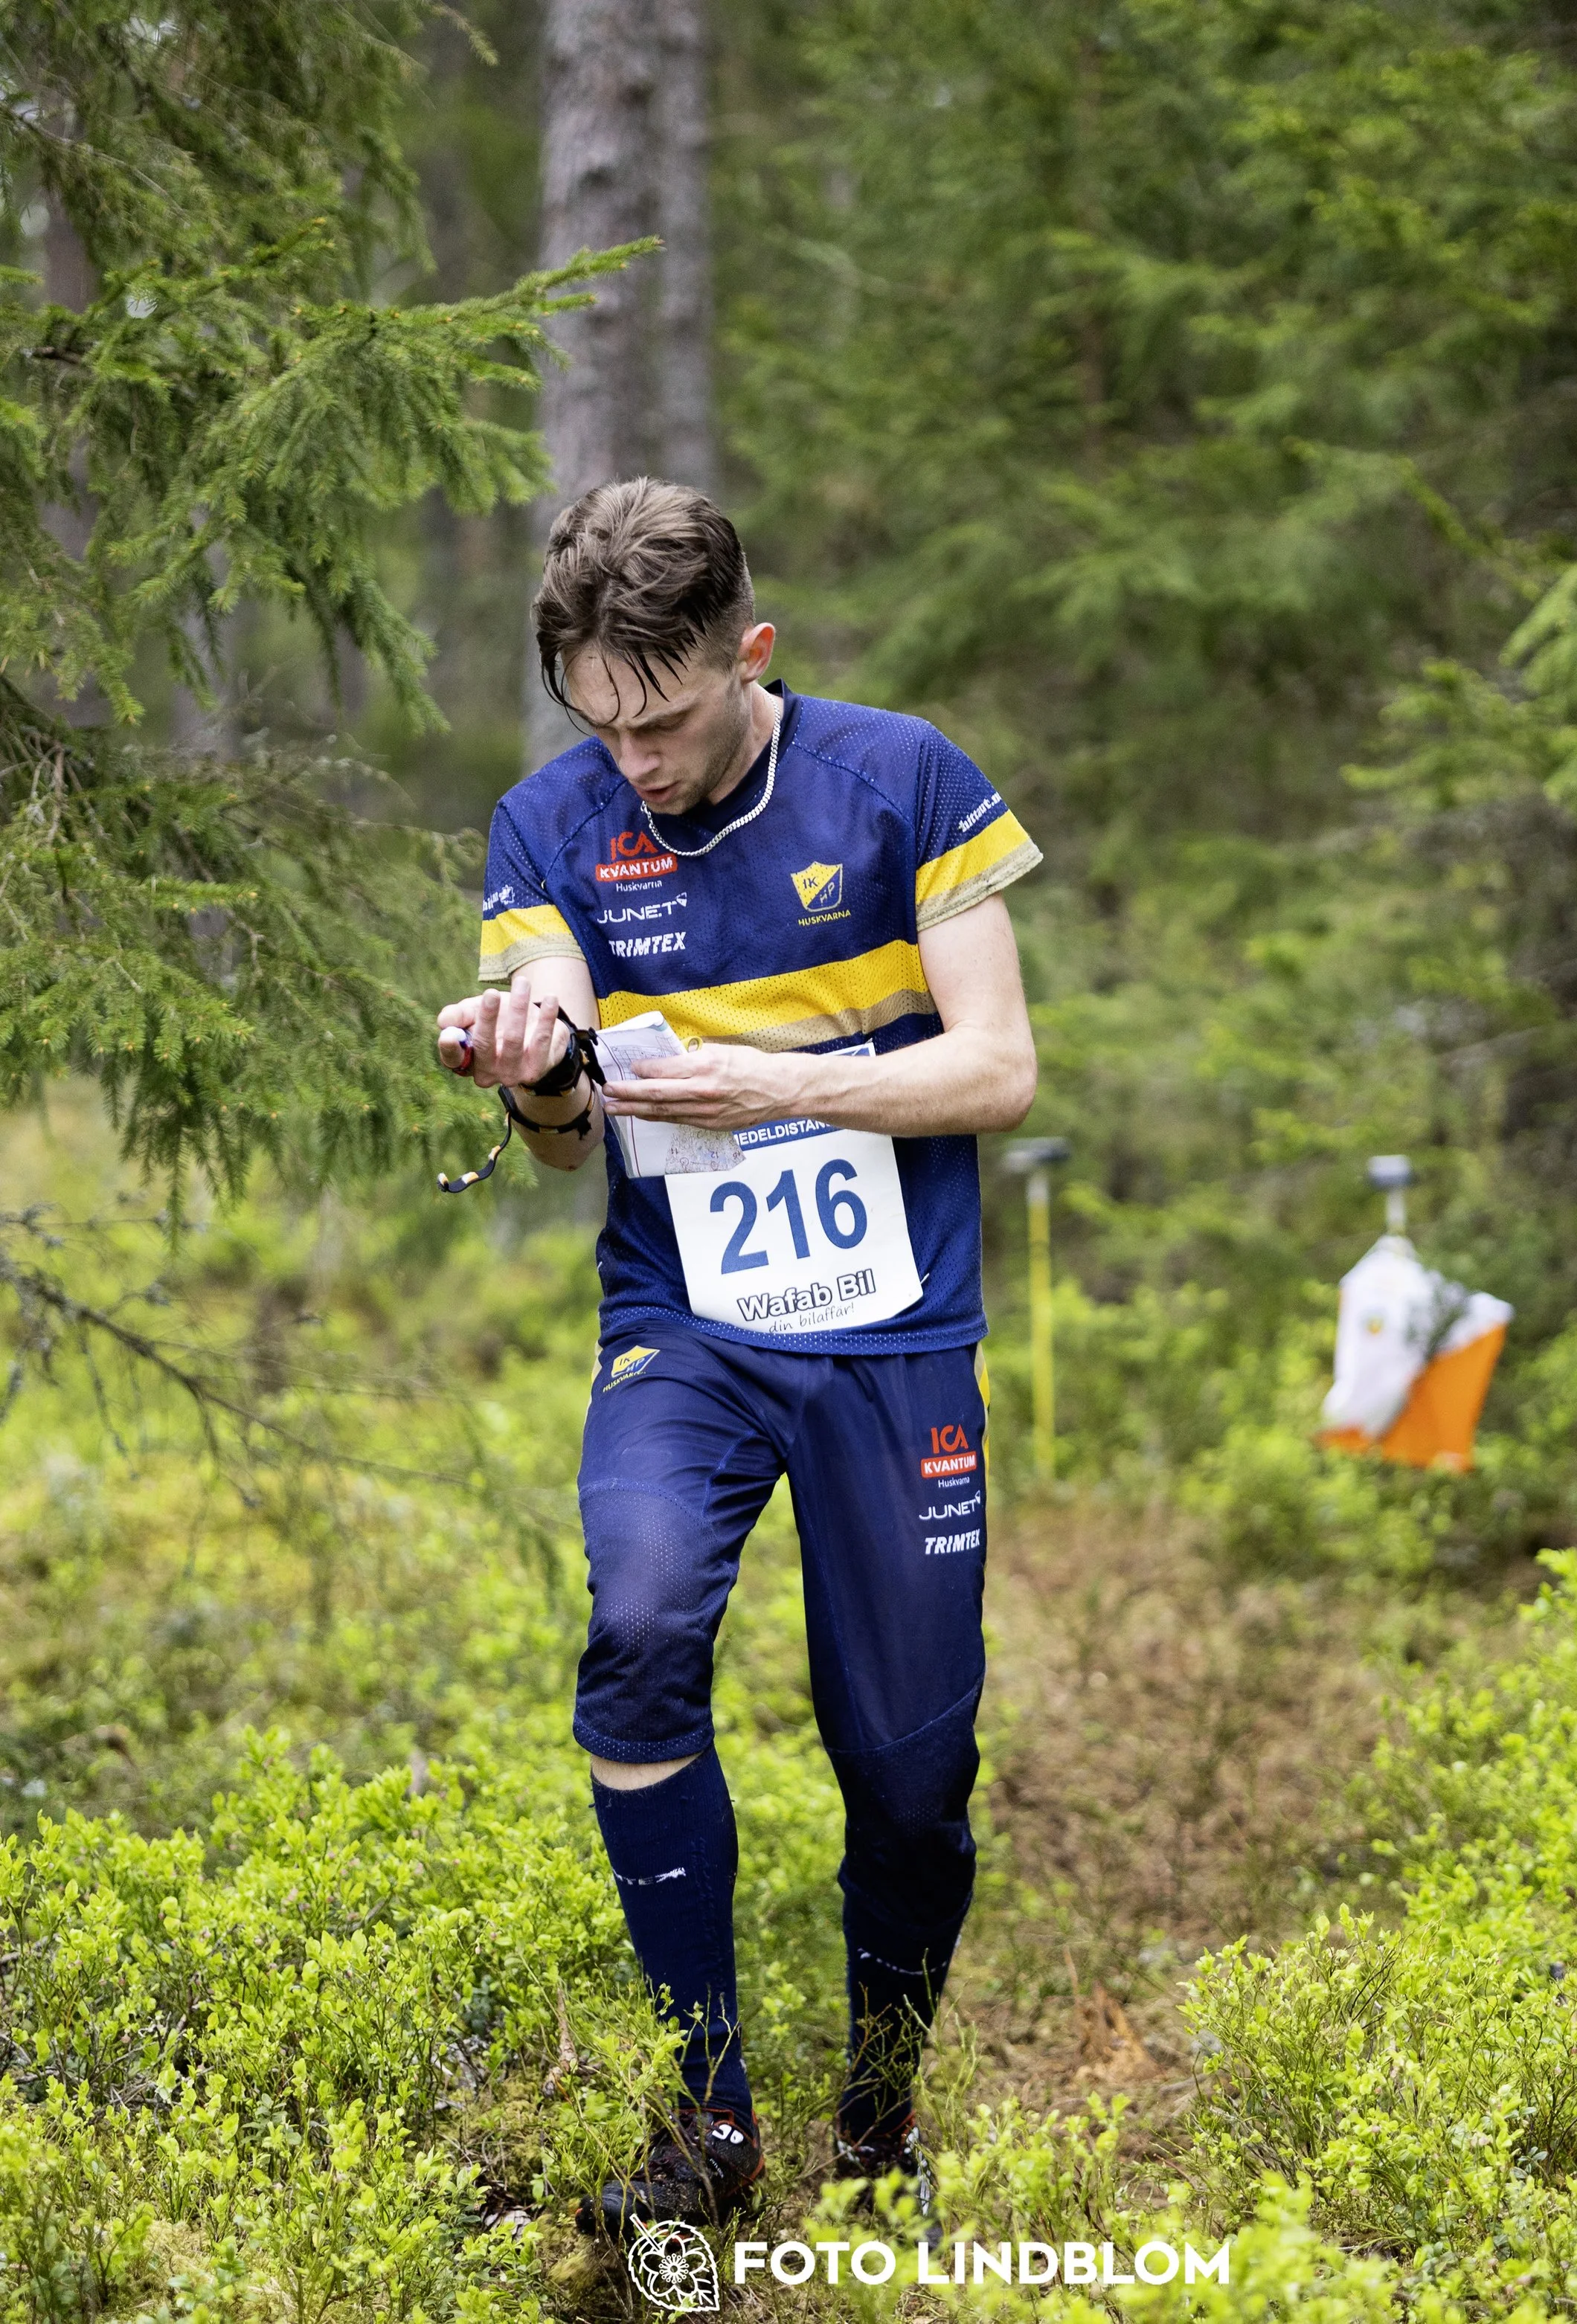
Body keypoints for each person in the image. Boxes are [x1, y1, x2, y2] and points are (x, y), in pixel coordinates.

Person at [434, 480, 1041, 2233]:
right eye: (597, 719)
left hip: (892, 1336)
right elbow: (558, 1126)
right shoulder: (549, 822)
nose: (636, 757)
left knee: (912, 1774)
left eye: (669, 715)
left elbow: (996, 1067)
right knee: (631, 1636)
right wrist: (534, 1059)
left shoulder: (901, 777)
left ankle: (879, 2107)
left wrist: (780, 1080)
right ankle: (704, 2115)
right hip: (683, 1327)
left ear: (748, 656)